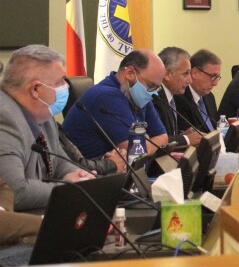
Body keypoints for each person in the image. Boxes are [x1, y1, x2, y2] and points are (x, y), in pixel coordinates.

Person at [0, 45, 93, 212]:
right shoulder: (4, 118)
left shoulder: (43, 113)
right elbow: (15, 192)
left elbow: (59, 163)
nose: (66, 86)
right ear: (36, 89)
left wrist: (79, 177)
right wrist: (71, 189)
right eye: (60, 81)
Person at [62, 50, 169, 160]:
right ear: (130, 73)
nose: (153, 93)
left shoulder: (139, 94)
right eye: (151, 85)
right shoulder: (107, 96)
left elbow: (163, 137)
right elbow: (136, 152)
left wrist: (147, 144)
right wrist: (148, 142)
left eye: (156, 88)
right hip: (93, 173)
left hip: (123, 172)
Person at [151, 47, 201, 146]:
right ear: (167, 74)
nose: (190, 80)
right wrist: (185, 139)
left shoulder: (172, 96)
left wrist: (182, 135)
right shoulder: (155, 99)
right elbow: (155, 142)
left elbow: (168, 135)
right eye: (185, 74)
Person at [176, 49, 222, 133]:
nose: (215, 83)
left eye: (217, 78)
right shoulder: (179, 99)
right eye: (213, 77)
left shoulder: (209, 97)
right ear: (195, 73)